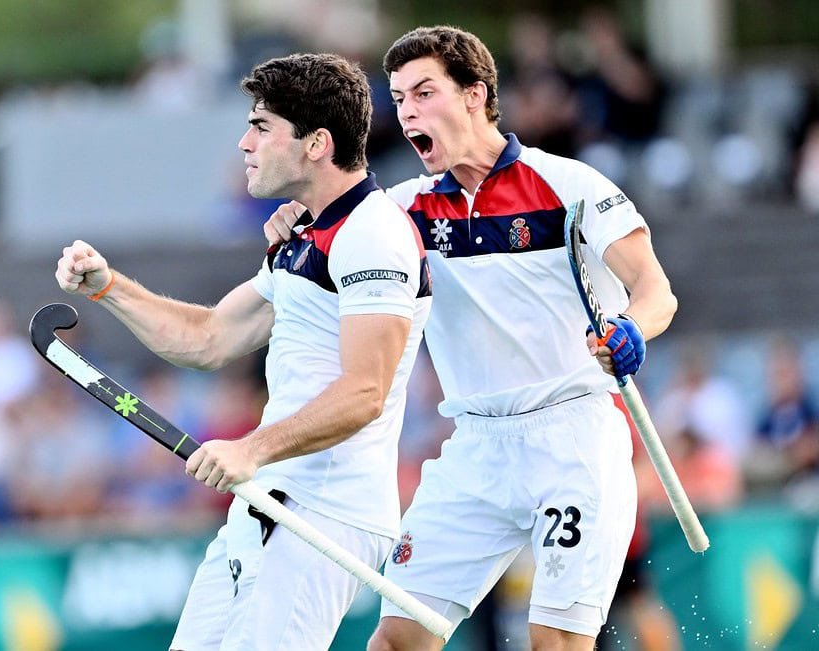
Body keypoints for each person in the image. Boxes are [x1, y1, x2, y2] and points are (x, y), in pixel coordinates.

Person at [264, 26, 678, 651]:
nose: (406, 112)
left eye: (424, 93)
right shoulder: (400, 210)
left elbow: (656, 291)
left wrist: (631, 330)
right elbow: (331, 232)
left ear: (474, 96)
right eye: (398, 98)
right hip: (475, 448)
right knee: (399, 638)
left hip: (572, 437)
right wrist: (300, 215)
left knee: (556, 642)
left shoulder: (569, 184)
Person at [55, 52, 432, 650]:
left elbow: (365, 393)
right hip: (265, 505)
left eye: (260, 127)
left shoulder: (373, 234)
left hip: (325, 513)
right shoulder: (305, 237)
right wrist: (108, 286)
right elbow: (207, 339)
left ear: (316, 144)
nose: (243, 143)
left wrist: (251, 448)